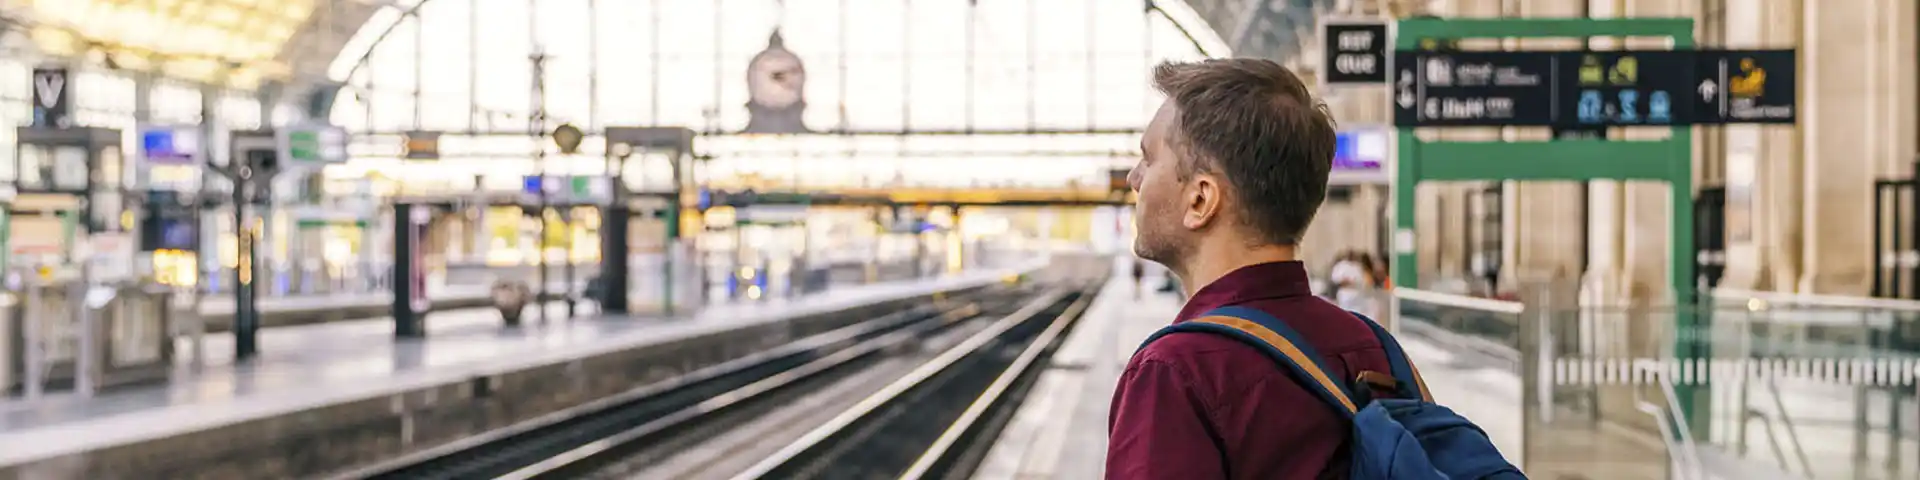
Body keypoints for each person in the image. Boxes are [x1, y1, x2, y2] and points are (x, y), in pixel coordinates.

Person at [1108, 58, 1403, 479]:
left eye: (1148, 159)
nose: (1135, 179)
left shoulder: (1175, 374)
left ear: (1200, 200)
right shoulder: (1376, 349)